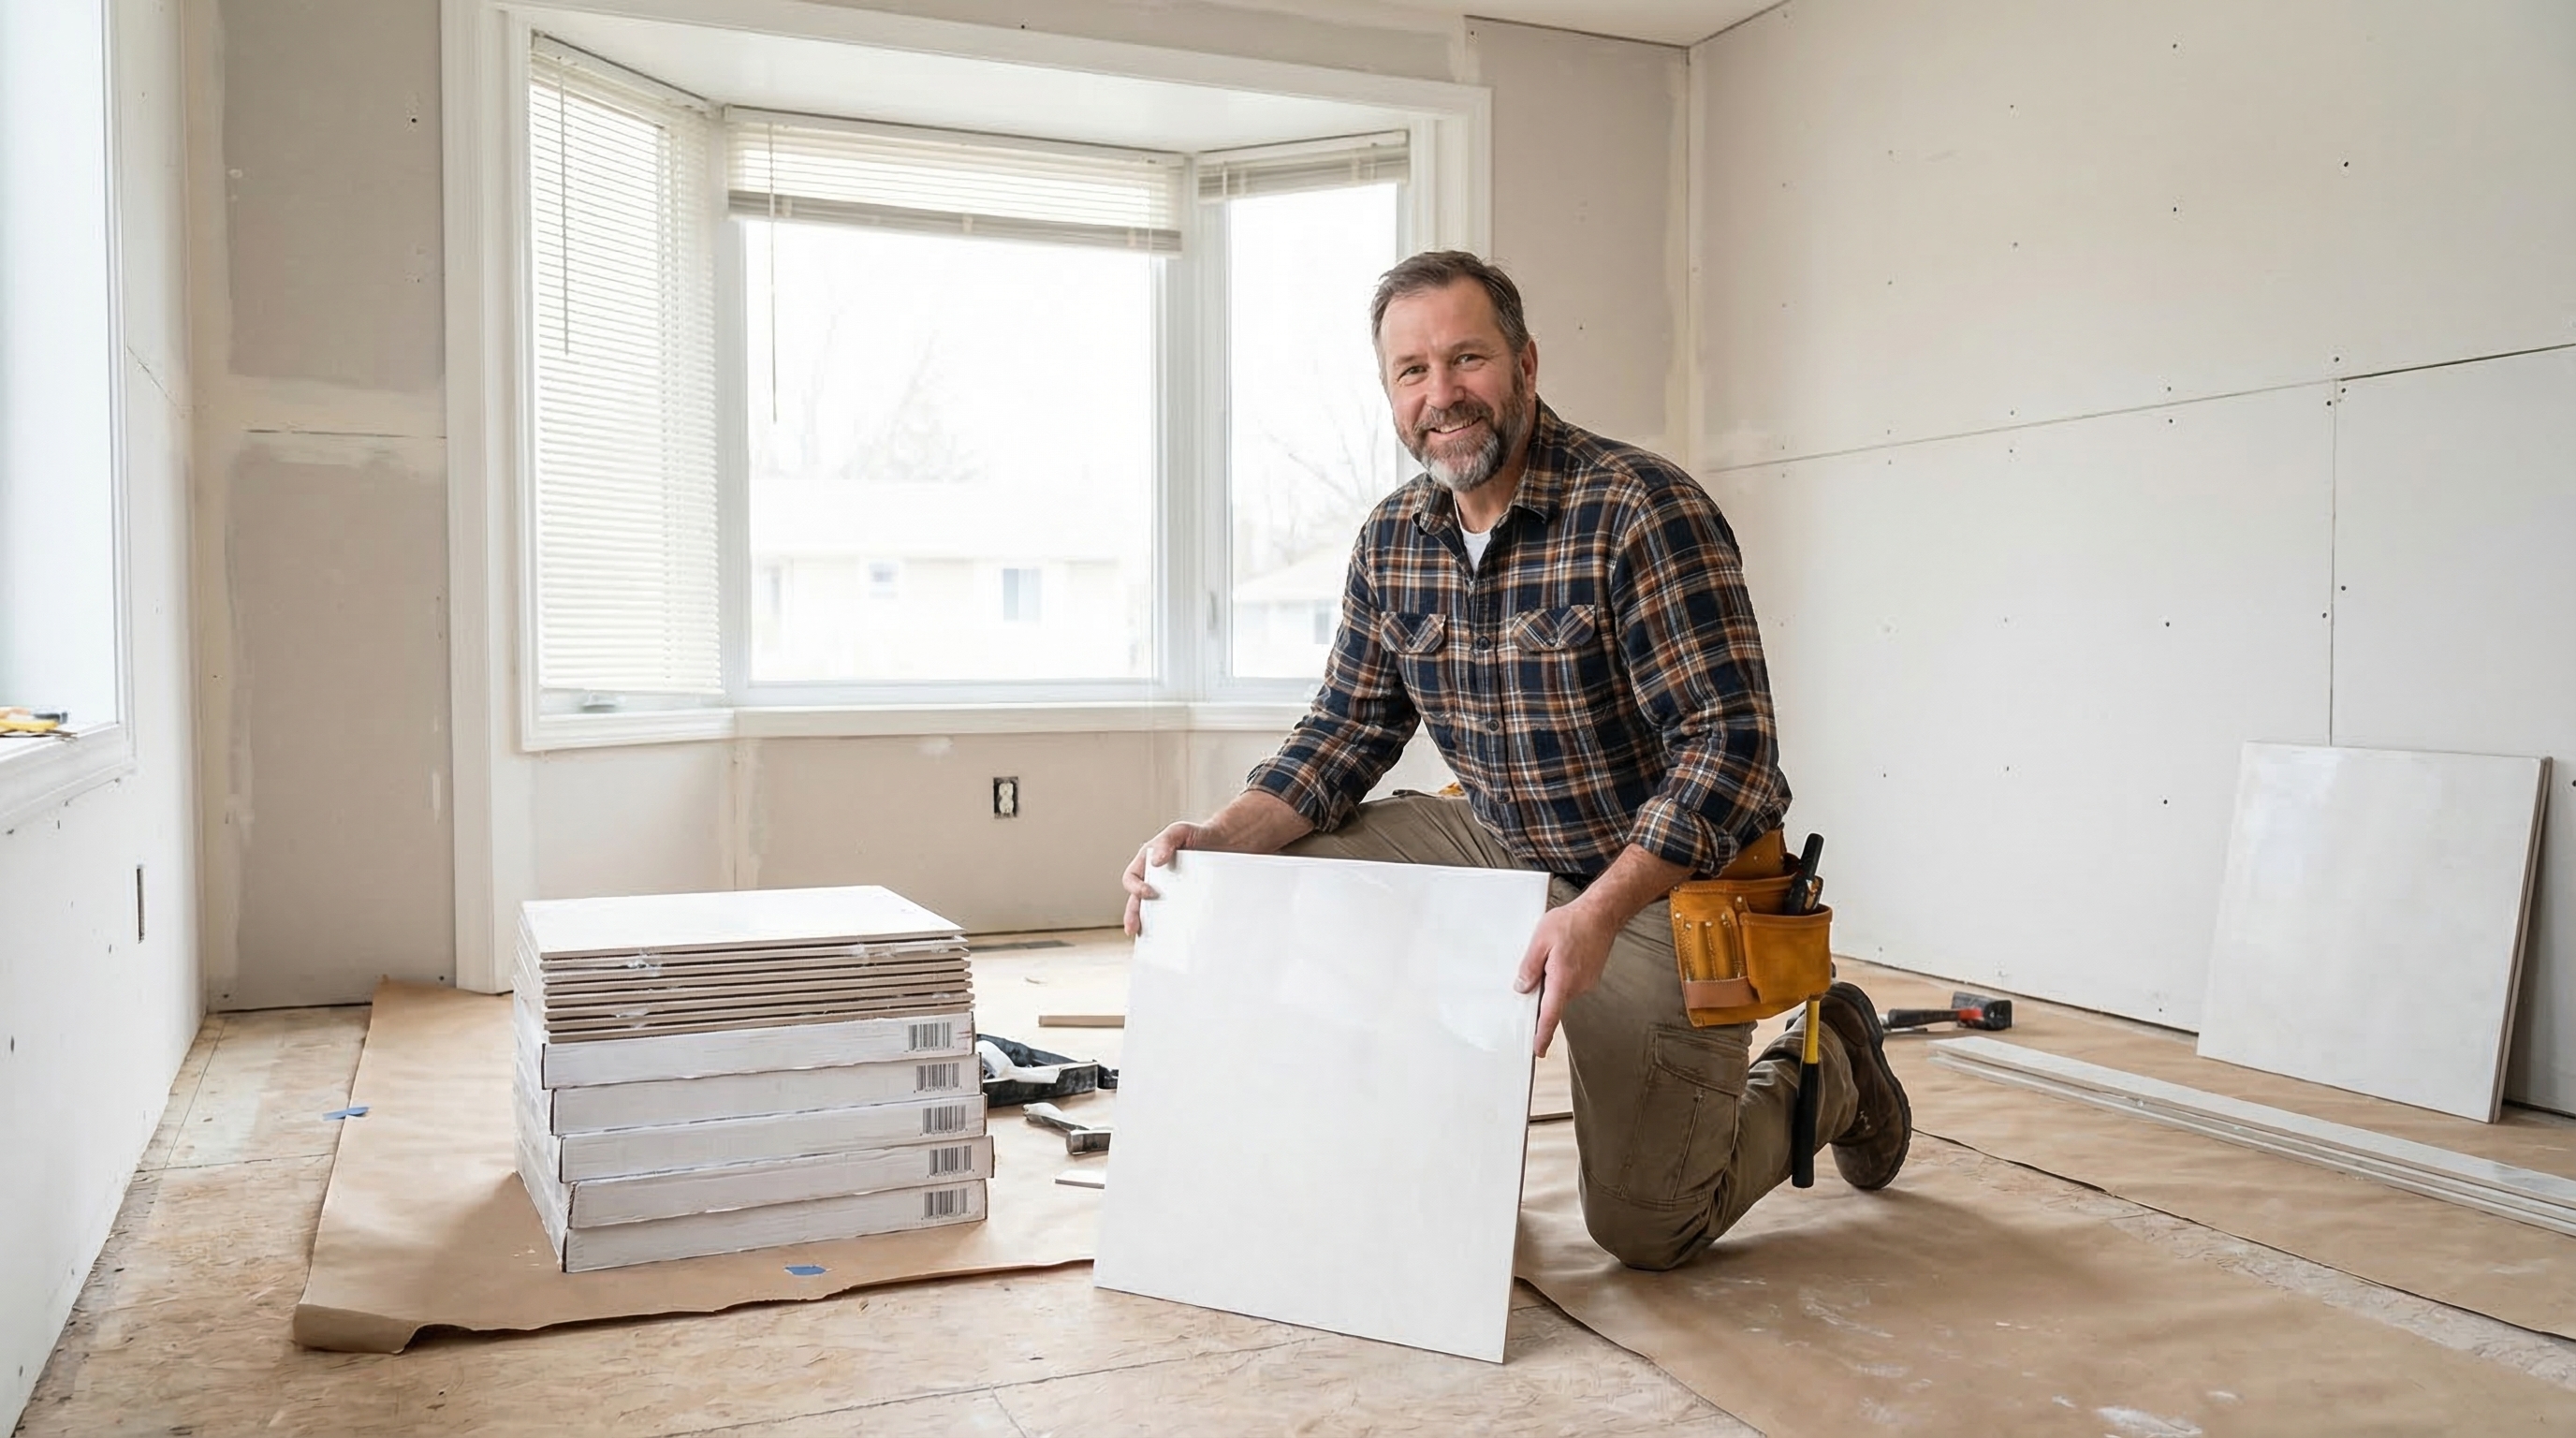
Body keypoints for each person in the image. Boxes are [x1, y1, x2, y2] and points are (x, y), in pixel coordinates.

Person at [1120, 251, 1910, 1270]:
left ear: (1525, 364)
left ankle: (1833, 1068)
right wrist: (1213, 838)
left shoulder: (1638, 509)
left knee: (1645, 1230)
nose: (1440, 395)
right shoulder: (1394, 540)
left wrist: (1594, 912)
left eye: (1466, 359)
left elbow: (1731, 754)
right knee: (1263, 872)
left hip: (1659, 887)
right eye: (1411, 372)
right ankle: (1414, 1133)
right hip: (1503, 839)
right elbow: (1344, 733)